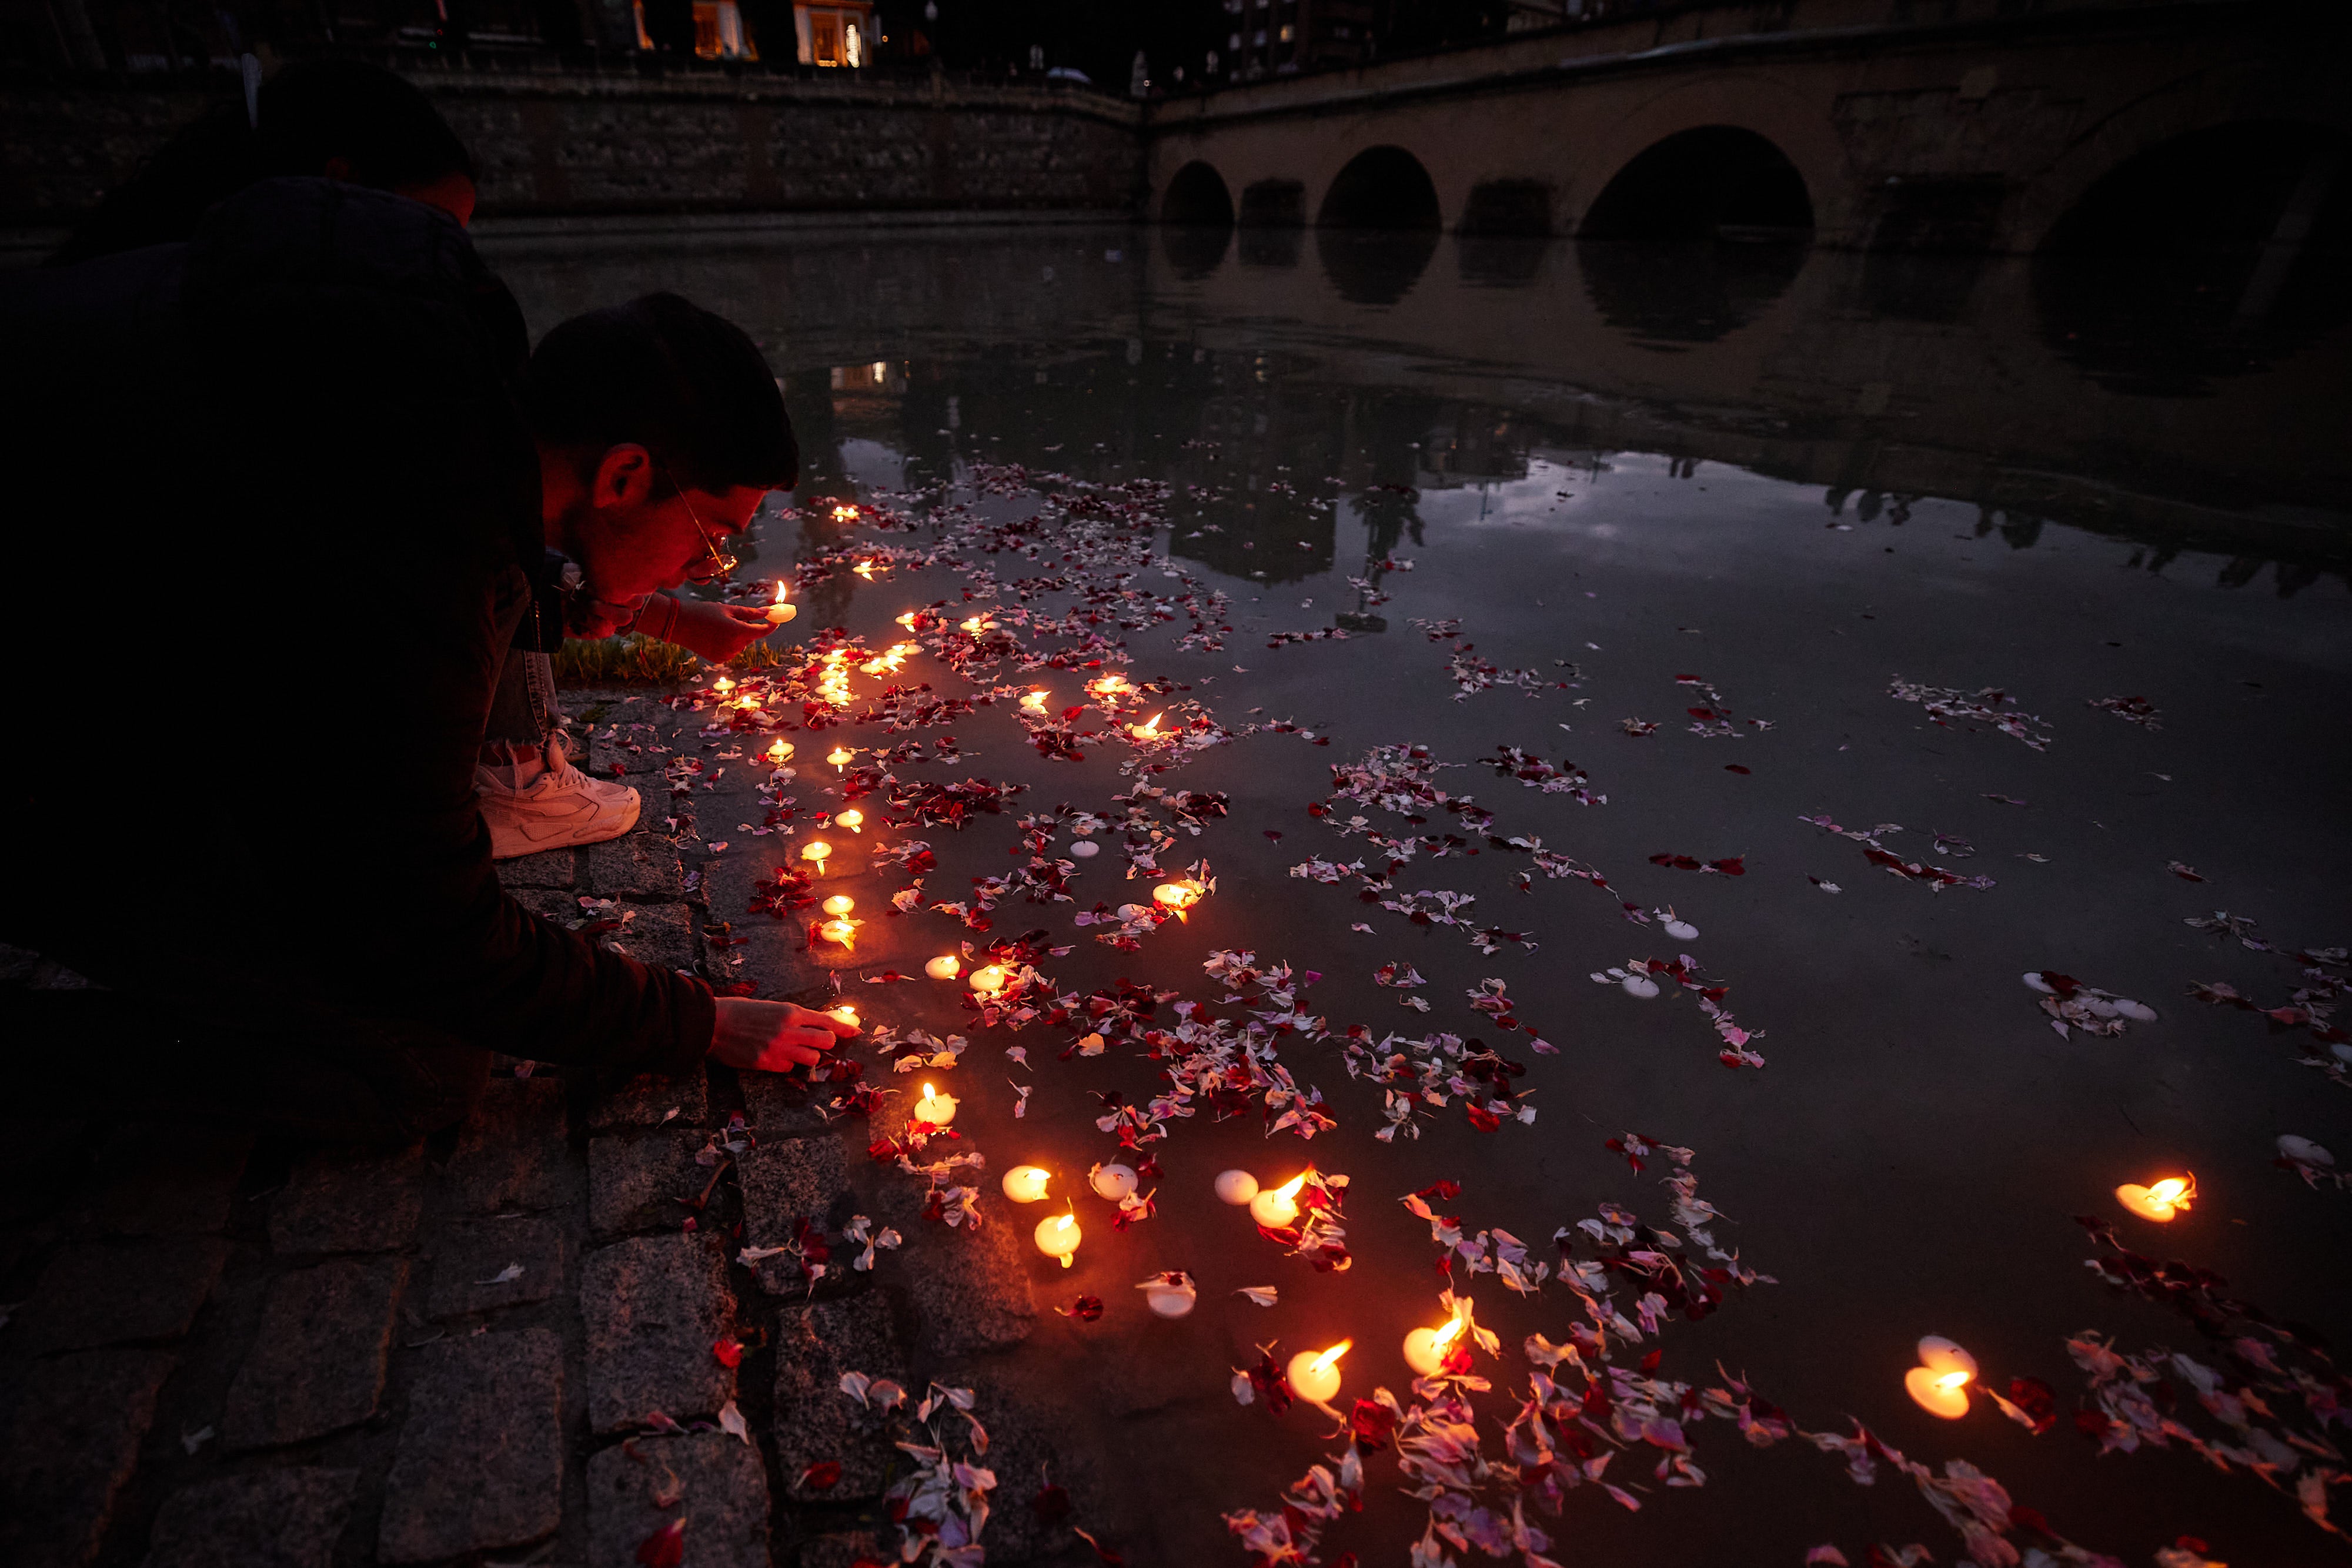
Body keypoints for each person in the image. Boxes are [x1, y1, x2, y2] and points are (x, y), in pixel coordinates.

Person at [0, 176, 849, 1144]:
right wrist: (696, 1020)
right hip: (44, 757)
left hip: (100, 649)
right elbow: (434, 932)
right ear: (624, 474)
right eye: (712, 537)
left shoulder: (417, 381)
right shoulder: (400, 554)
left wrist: (655, 607)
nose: (712, 566)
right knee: (423, 1068)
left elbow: (496, 577)